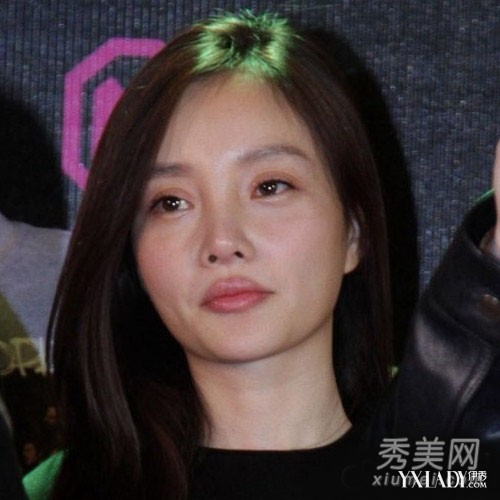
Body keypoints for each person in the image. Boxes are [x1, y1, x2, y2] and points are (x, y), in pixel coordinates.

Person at [22, 9, 500, 499]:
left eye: (270, 187)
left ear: (354, 232)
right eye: (172, 202)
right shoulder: (56, 491)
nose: (222, 242)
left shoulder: (446, 470)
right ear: (133, 256)